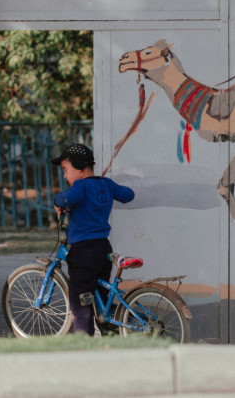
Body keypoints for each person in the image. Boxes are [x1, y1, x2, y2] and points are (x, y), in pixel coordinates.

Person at [51, 143, 135, 335]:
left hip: (82, 252)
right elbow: (128, 195)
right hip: (103, 248)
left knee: (81, 302)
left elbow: (64, 199)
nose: (65, 176)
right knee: (100, 298)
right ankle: (108, 332)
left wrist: (57, 201)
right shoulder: (107, 184)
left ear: (79, 165)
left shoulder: (80, 186)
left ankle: (84, 341)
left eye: (65, 169)